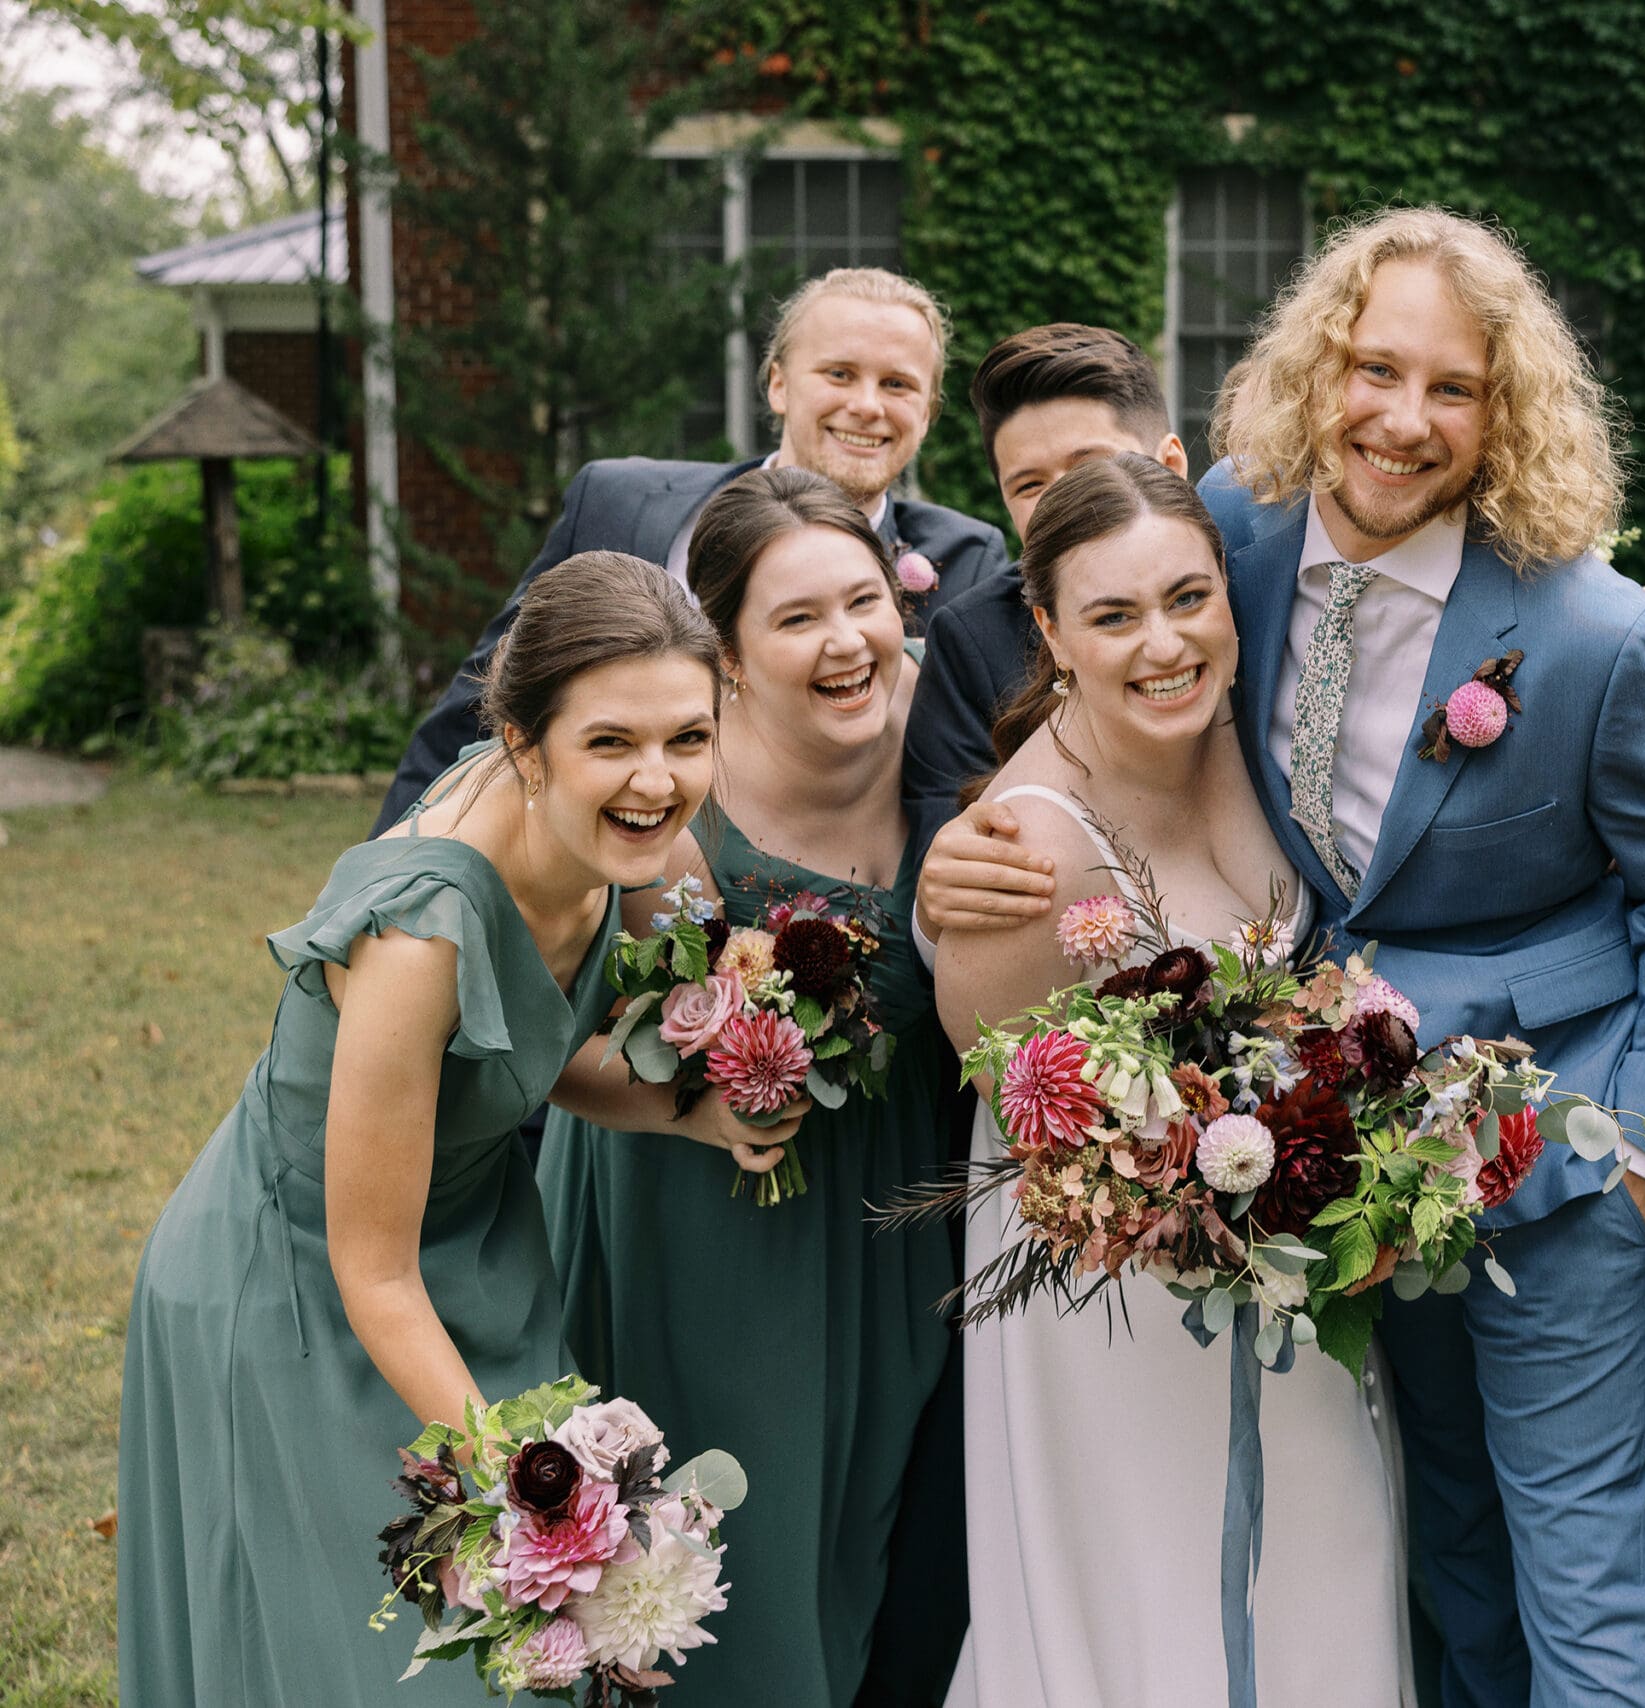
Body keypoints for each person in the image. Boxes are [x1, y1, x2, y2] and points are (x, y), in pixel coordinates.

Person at [921, 207, 1645, 1708]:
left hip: (1560, 1155)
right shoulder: (1235, 525)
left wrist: (1642, 1154)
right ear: (1319, 369)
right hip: (1348, 1169)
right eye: (1376, 369)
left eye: (1454, 388)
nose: (1403, 420)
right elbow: (1118, 654)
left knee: (1581, 1573)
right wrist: (984, 832)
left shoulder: (1597, 638)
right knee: (1449, 1564)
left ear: (1507, 413)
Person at [117, 553, 796, 1706]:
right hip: (297, 1283)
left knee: (523, 1673)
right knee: (375, 1666)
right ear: (526, 746)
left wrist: (694, 1112)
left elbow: (534, 1057)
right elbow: (369, 1266)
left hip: (479, 1256)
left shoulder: (646, 857)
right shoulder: (420, 936)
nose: (657, 778)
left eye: (689, 737)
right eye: (611, 743)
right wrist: (542, 1490)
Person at [933, 453, 1408, 1708]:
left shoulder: (1234, 731)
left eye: (1189, 598)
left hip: (1281, 1257)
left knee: (1324, 1555)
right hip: (1109, 1288)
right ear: (1048, 632)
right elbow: (1001, 1088)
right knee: (1154, 1598)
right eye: (1113, 615)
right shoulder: (1027, 844)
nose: (1165, 643)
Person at [535, 469, 957, 1706]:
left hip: (897, 1209)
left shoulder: (952, 732)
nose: (847, 642)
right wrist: (692, 1098)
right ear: (722, 651)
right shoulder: (663, 795)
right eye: (796, 618)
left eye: (864, 600)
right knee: (734, 1568)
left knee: (864, 1559)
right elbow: (532, 1037)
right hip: (705, 1215)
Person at [376, 266, 1007, 834]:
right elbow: (478, 709)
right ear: (779, 384)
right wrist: (383, 880)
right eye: (839, 374)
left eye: (897, 384)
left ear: (927, 412)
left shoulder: (968, 559)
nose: (866, 405)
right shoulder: (616, 503)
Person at [903, 322, 1190, 846]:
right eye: (1030, 485)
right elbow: (939, 844)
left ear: (1170, 464)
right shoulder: (972, 640)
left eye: (1093, 466)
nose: (1066, 505)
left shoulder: (1244, 585)